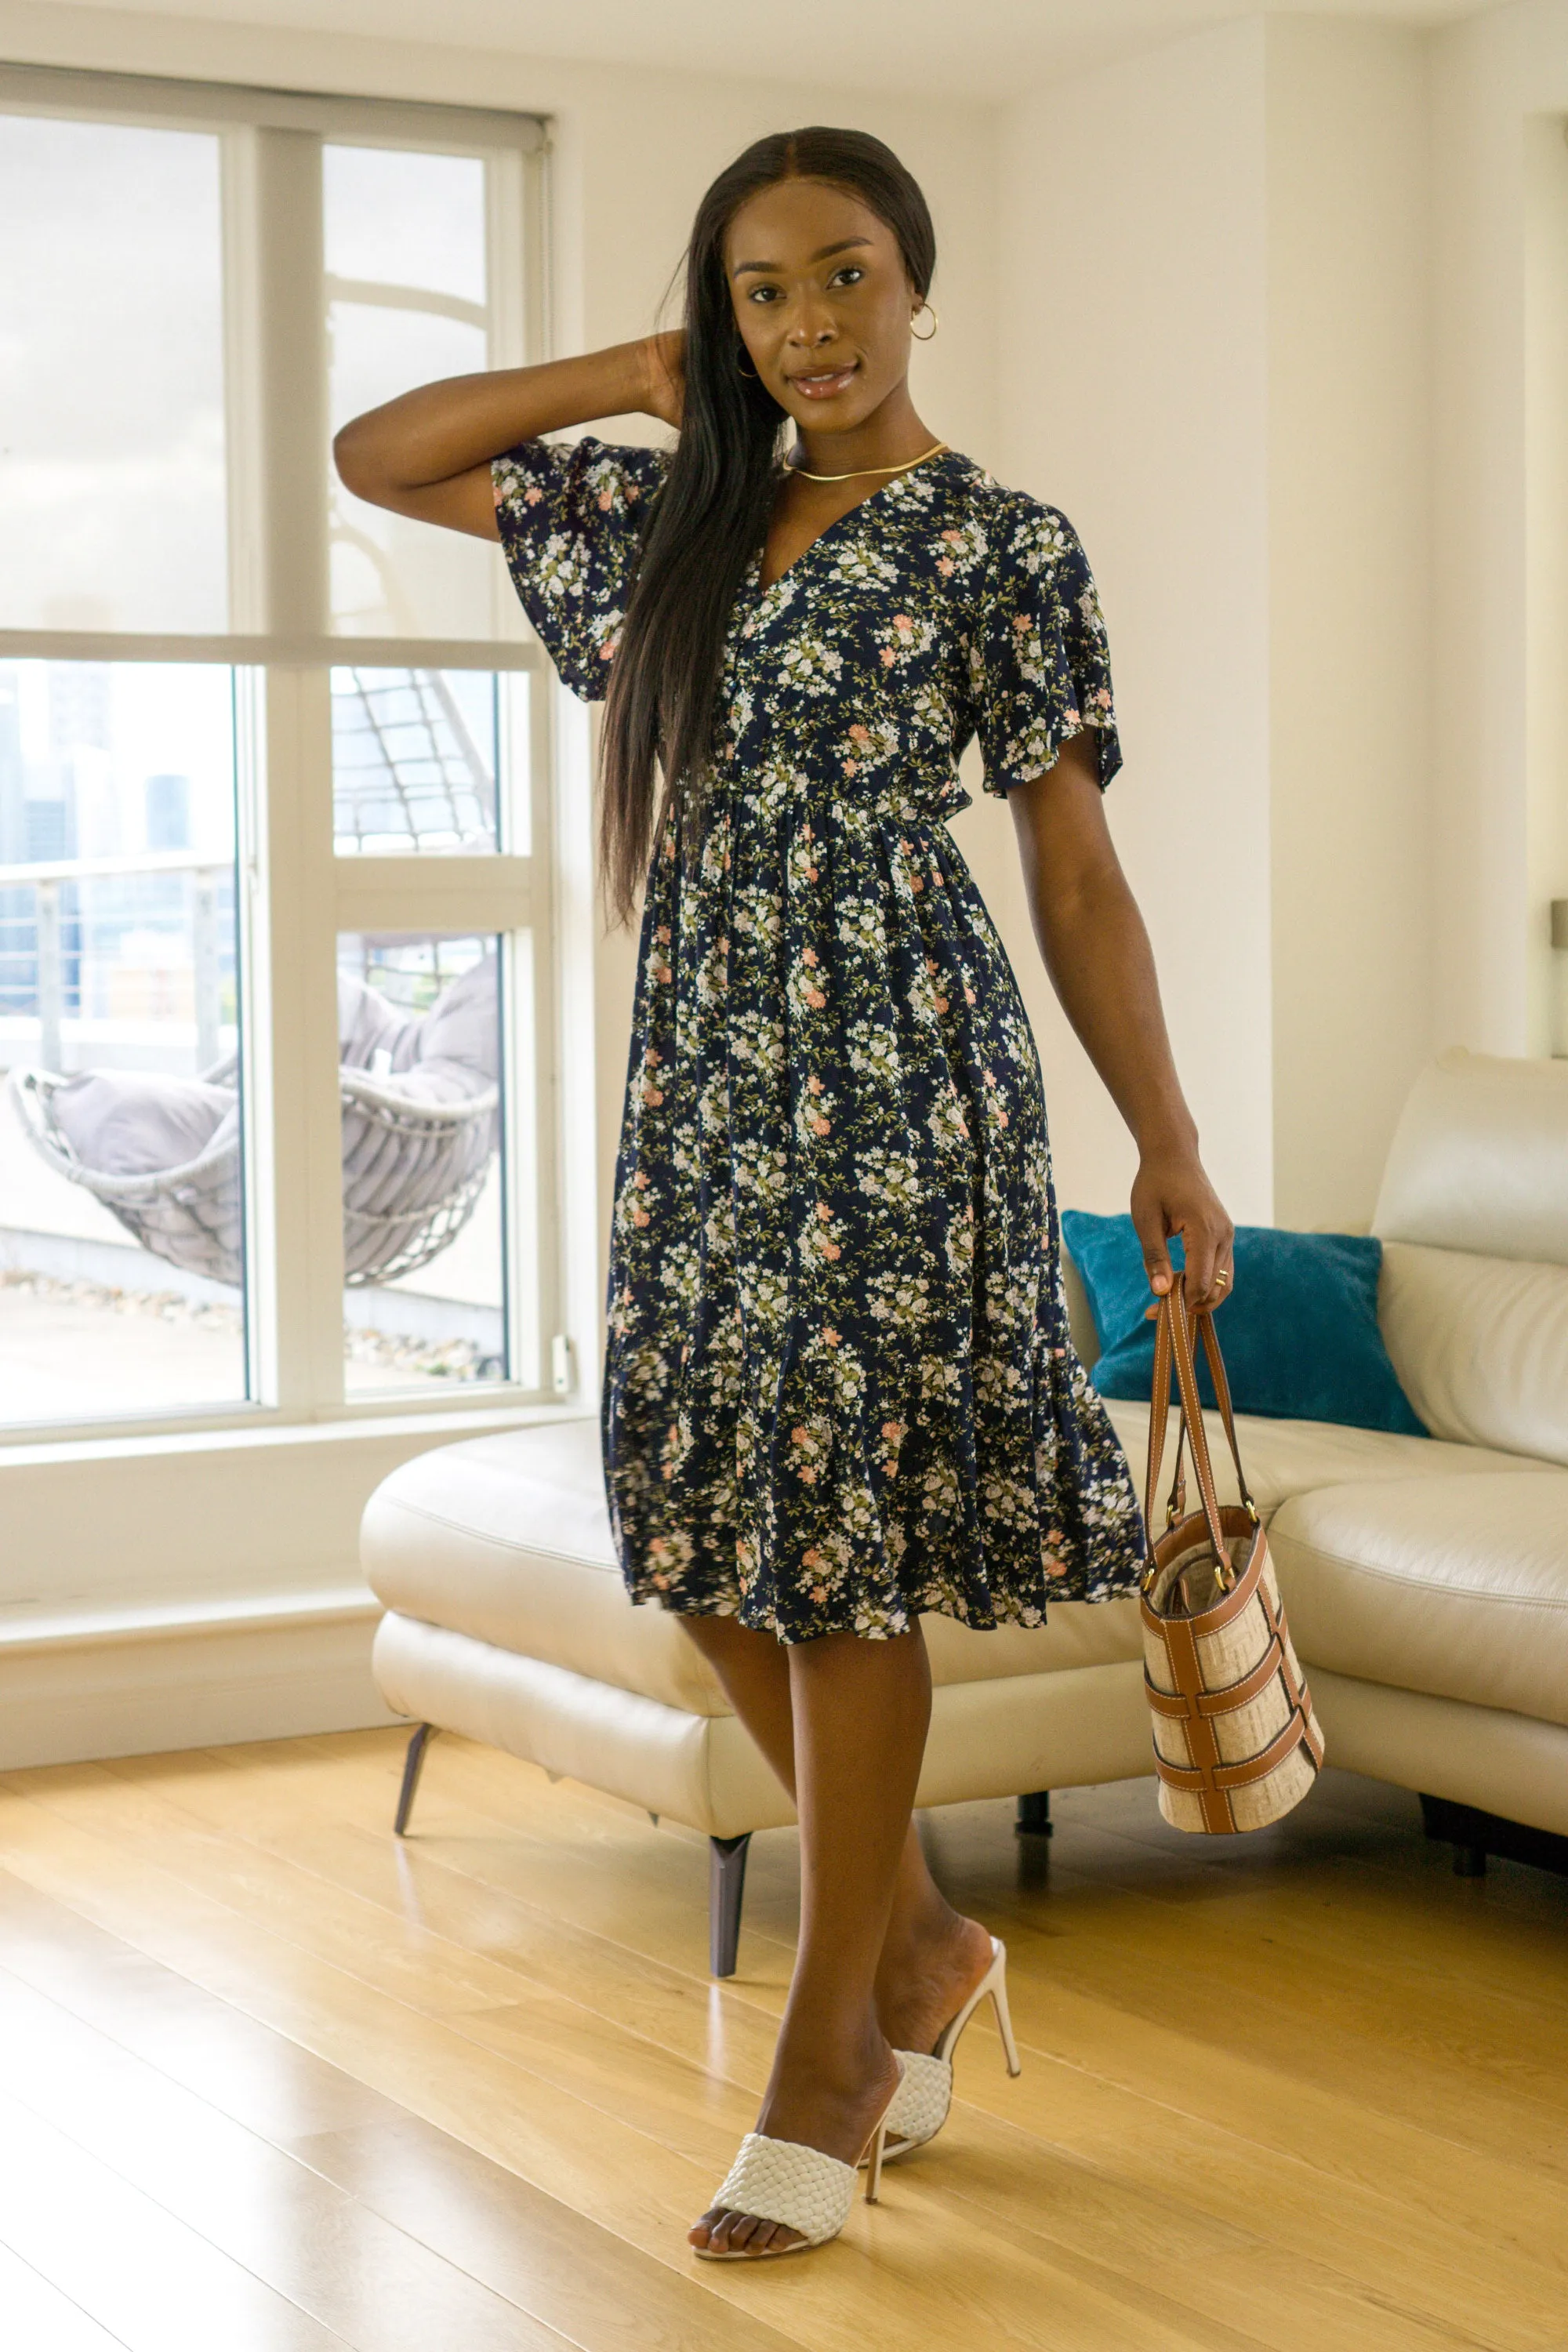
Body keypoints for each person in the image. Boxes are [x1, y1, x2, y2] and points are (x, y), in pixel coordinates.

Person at [335, 123, 1234, 2264]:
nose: (810, 325)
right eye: (763, 290)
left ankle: (827, 2051)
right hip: (706, 1085)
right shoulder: (665, 520)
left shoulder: (1001, 541)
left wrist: (1170, 1134)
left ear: (918, 283)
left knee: (846, 1556)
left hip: (907, 1074)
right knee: (701, 1518)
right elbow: (384, 452)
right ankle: (916, 1946)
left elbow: (1077, 868)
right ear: (719, 316)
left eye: (844, 276)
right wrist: (625, 376)